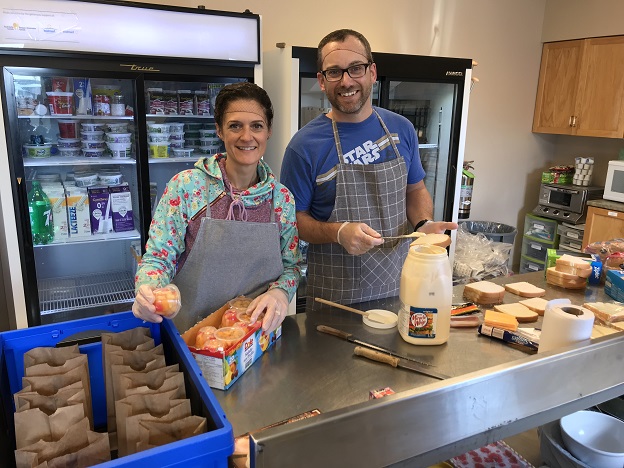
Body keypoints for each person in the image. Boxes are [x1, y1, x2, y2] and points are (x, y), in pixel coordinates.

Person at [280, 29, 457, 305]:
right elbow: (294, 222)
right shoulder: (303, 146)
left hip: (401, 286)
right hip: (336, 298)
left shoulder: (402, 129)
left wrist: (423, 223)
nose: (346, 81)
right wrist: (338, 233)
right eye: (334, 72)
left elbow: (415, 189)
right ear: (321, 81)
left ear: (372, 72)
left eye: (356, 68)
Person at [133, 82, 302, 333]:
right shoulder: (187, 187)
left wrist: (280, 293)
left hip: (254, 339)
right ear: (219, 131)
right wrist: (147, 291)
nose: (247, 136)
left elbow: (291, 266)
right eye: (235, 126)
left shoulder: (282, 200)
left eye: (256, 126)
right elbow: (159, 258)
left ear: (268, 132)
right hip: (191, 337)